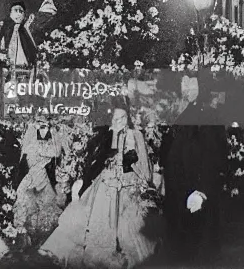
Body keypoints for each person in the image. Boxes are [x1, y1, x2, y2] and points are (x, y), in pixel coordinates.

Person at [39, 101, 158, 268]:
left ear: (128, 118)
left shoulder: (135, 134)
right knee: (93, 218)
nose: (119, 122)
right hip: (105, 183)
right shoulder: (107, 136)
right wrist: (83, 181)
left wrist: (135, 176)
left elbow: (143, 165)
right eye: (115, 119)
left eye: (123, 118)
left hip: (128, 184)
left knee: (127, 227)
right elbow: (96, 163)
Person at [160, 69, 229, 265]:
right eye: (185, 86)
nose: (187, 90)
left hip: (197, 193)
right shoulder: (181, 113)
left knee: (200, 253)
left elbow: (214, 157)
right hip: (179, 192)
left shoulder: (208, 116)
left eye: (192, 86)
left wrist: (201, 191)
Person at [14, 118, 69, 245]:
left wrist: (53, 132)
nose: (42, 129)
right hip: (30, 176)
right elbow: (28, 151)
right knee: (23, 199)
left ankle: (42, 237)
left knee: (47, 204)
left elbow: (56, 152)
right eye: (39, 126)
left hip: (43, 177)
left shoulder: (52, 142)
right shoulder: (31, 140)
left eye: (44, 126)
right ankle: (23, 235)